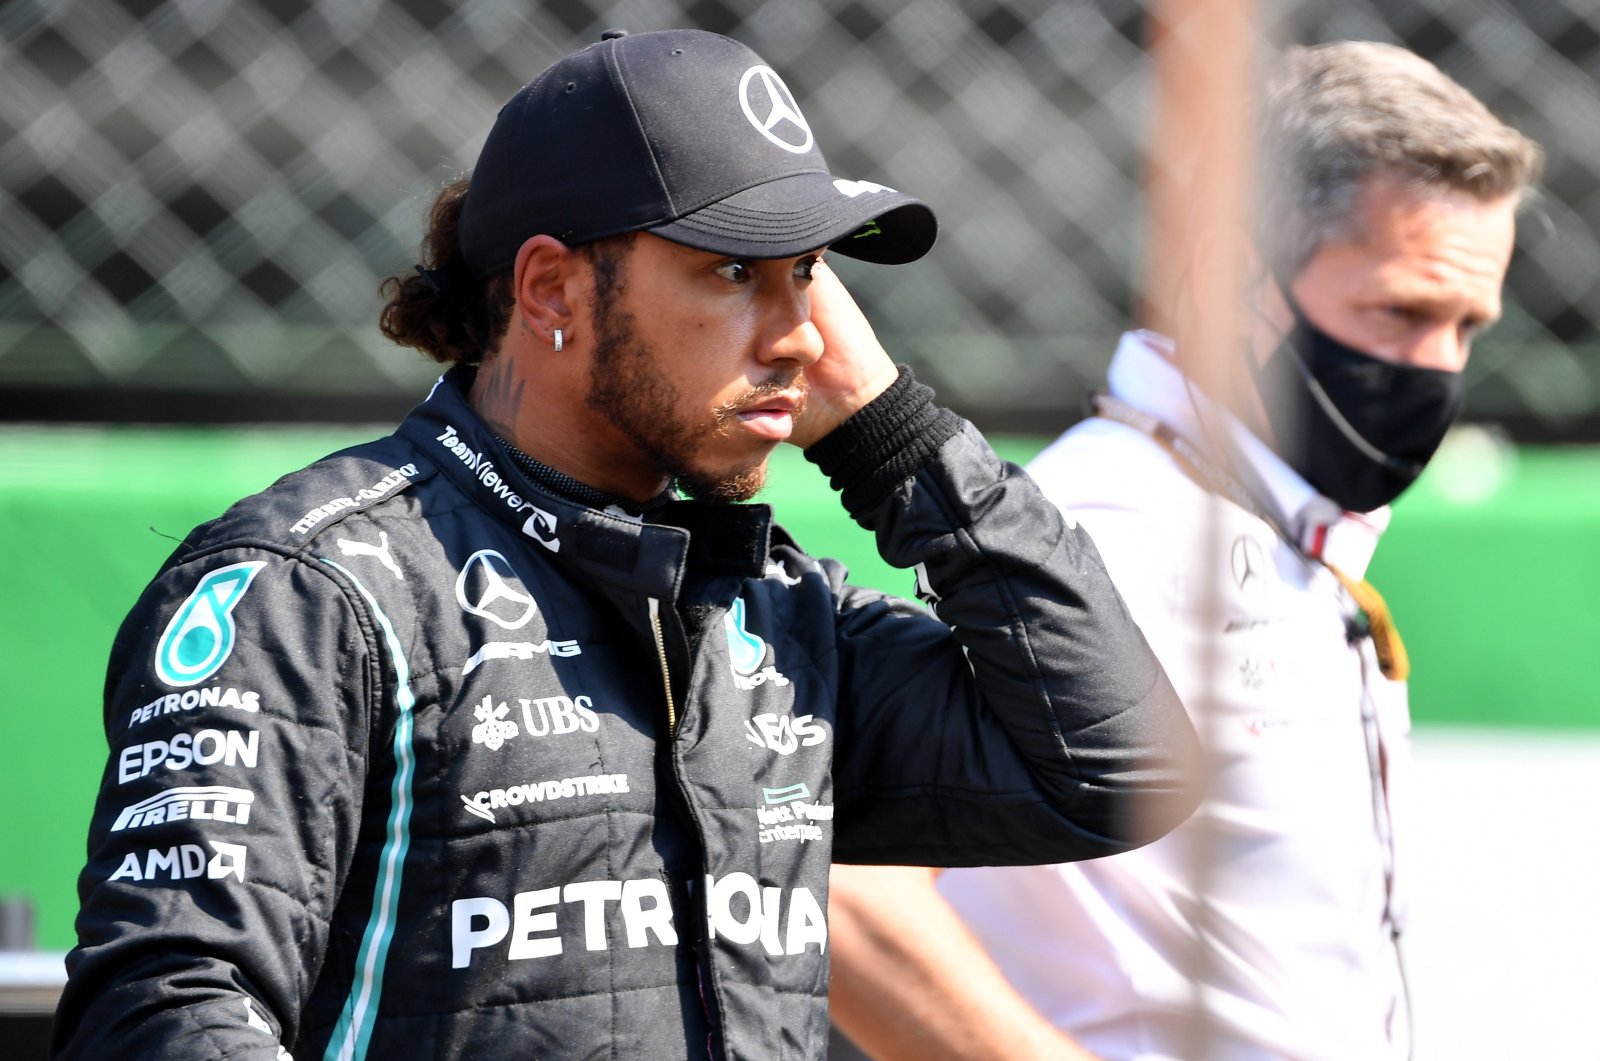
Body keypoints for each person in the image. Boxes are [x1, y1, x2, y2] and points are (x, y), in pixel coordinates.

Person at [52, 28, 1205, 1060]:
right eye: (730, 271)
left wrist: (889, 428)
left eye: (807, 271)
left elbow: (1119, 773)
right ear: (552, 285)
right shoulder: (312, 590)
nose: (802, 330)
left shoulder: (775, 613)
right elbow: (169, 1004)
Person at [827, 40, 1542, 1061]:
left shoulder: (1271, 520)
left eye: (1467, 325)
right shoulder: (1111, 528)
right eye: (1401, 312)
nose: (1438, 367)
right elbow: (850, 894)